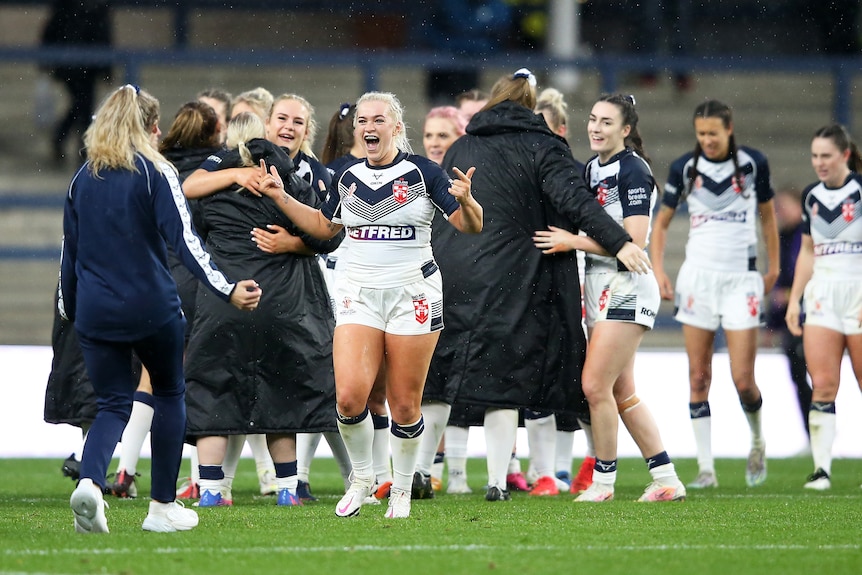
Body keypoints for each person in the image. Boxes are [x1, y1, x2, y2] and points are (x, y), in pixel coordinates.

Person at [255, 91, 483, 519]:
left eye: (379, 120)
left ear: (396, 127)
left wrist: (469, 201)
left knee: (404, 404)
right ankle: (362, 479)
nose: (369, 127)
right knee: (348, 398)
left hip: (412, 294)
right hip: (357, 292)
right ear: (356, 129)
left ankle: (400, 488)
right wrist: (280, 197)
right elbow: (324, 227)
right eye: (363, 121)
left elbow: (469, 226)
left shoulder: (423, 172)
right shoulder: (346, 176)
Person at [426, 68, 651, 503]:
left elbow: (441, 213)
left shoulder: (462, 145)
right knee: (505, 384)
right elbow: (576, 202)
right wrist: (619, 241)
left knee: (441, 380)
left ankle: (420, 473)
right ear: (530, 106)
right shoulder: (543, 146)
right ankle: (499, 481)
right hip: (516, 280)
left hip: (456, 276)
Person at [60, 84, 261, 533]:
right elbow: (185, 243)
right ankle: (161, 508)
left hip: (94, 310)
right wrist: (228, 289)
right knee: (169, 392)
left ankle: (91, 484)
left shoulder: (81, 177)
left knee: (112, 403)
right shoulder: (155, 171)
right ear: (149, 127)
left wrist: (73, 310)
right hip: (149, 305)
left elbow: (69, 254)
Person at [183, 112, 341, 508]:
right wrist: (293, 242)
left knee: (213, 390)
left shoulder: (214, 184)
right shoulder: (292, 181)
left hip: (224, 299)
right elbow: (326, 236)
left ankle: (211, 491)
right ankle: (287, 489)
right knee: (282, 393)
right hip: (281, 302)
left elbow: (194, 229)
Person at [534, 93, 686, 502]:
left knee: (594, 385)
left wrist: (572, 241)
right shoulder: (591, 168)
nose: (596, 128)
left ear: (626, 130)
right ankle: (666, 478)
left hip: (627, 284)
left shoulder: (634, 171)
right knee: (622, 393)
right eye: (593, 120)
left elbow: (633, 242)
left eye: (606, 122)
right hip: (600, 285)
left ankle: (603, 482)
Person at [650, 99, 779, 489]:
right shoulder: (685, 168)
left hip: (741, 279)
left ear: (729, 129)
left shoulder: (754, 164)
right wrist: (659, 270)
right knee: (698, 375)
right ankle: (706, 468)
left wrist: (773, 268)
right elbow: (661, 224)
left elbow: (769, 216)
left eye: (713, 133)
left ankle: (757, 438)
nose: (706, 140)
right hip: (698, 279)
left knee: (743, 379)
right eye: (701, 134)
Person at [785, 124, 862, 490]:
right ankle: (821, 470)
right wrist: (796, 298)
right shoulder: (812, 196)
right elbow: (808, 251)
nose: (819, 163)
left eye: (826, 156)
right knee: (824, 384)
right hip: (822, 295)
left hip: (857, 292)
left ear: (845, 155)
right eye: (815, 156)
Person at [413, 105, 468, 496]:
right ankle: (416, 470)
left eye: (443, 135)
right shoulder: (413, 179)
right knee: (417, 384)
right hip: (413, 290)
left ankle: (439, 471)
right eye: (430, 135)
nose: (434, 142)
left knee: (440, 384)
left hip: (455, 292)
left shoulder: (463, 188)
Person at [764, 187, 812, 439]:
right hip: (791, 321)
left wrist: (795, 293)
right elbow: (777, 288)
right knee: (798, 376)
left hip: (812, 316)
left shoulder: (807, 236)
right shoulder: (782, 238)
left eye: (784, 206)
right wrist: (771, 325)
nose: (779, 212)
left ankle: (820, 429)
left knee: (819, 378)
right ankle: (812, 432)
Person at [41, 0, 112, 165]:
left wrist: (106, 69)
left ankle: (71, 143)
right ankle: (78, 146)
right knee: (82, 104)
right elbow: (52, 31)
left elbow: (104, 37)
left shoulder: (96, 9)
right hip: (71, 66)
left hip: (86, 67)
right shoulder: (67, 7)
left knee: (81, 105)